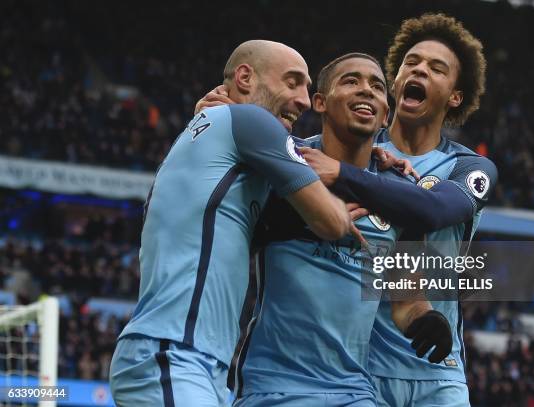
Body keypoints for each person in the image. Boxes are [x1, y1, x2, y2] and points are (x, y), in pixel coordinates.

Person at [109, 40, 351, 407]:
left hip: (197, 363)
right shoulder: (247, 121)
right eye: (292, 82)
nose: (303, 100)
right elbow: (331, 222)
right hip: (173, 353)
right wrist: (357, 191)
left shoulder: (214, 137)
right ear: (244, 77)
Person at [231, 53, 452, 407]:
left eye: (377, 87)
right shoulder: (283, 163)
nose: (366, 90)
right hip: (270, 385)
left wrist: (426, 320)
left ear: (385, 113)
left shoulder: (398, 195)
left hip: (352, 390)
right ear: (319, 102)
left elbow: (407, 301)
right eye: (351, 81)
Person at [301, 14, 496, 407]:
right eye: (411, 62)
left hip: (438, 368)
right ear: (396, 80)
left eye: (436, 68)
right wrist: (225, 110)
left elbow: (433, 209)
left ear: (455, 96)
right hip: (358, 371)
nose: (419, 69)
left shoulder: (469, 167)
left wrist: (343, 175)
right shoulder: (346, 148)